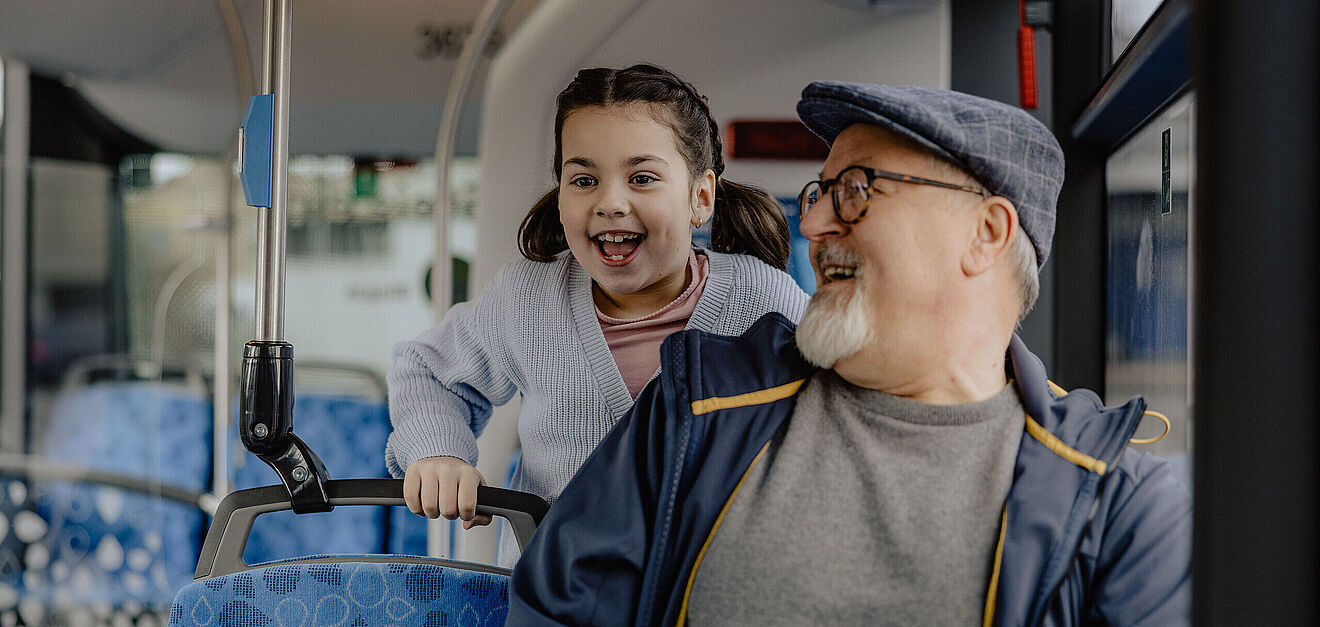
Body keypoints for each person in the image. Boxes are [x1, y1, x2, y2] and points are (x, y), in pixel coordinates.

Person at [507, 83, 1191, 625]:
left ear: (986, 232)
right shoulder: (699, 403)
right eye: (819, 191)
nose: (811, 223)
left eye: (857, 191)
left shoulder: (1118, 510)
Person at [385, 64, 810, 564]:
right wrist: (441, 452)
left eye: (642, 178)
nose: (610, 202)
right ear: (561, 196)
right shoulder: (530, 297)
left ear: (700, 198)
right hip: (554, 599)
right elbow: (429, 370)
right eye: (584, 179)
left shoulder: (760, 300)